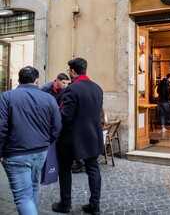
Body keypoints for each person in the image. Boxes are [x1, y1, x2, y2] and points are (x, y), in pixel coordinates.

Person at [0, 66, 62, 215]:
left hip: (16, 153)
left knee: (23, 197)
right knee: (33, 188)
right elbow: (57, 127)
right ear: (36, 80)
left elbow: (1, 128)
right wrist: (47, 142)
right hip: (40, 151)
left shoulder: (7, 97)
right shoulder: (48, 98)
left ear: (18, 80)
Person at [52, 58, 104, 215]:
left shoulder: (72, 89)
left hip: (71, 138)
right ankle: (95, 205)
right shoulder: (97, 88)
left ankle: (65, 204)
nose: (69, 73)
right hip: (93, 136)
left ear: (73, 71)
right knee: (93, 169)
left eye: (69, 70)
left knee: (65, 170)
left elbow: (66, 116)